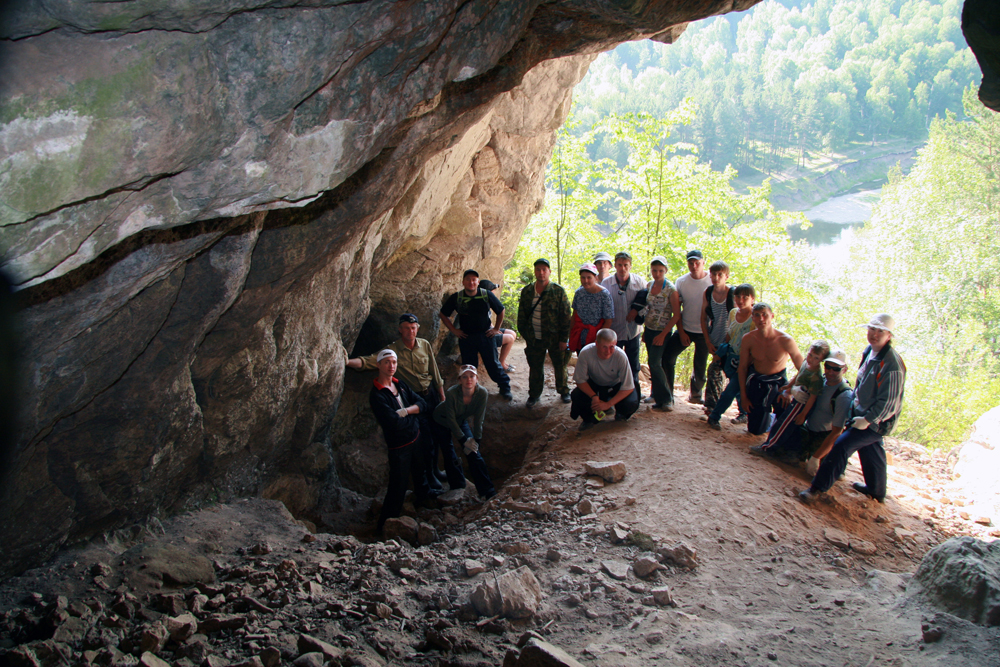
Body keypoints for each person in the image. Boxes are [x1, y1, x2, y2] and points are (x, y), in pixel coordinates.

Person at [347, 313, 466, 493]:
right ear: (400, 330)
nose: (410, 331)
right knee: (425, 441)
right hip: (414, 400)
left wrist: (442, 398)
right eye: (406, 328)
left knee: (440, 435)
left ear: (417, 328)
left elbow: (435, 373)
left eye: (413, 327)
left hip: (431, 396)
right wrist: (346, 361)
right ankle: (429, 477)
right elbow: (368, 361)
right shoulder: (393, 351)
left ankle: (440, 472)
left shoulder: (424, 344)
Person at [800, 315, 906, 504]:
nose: (874, 334)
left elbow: (890, 402)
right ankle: (877, 490)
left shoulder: (891, 364)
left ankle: (816, 489)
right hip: (862, 413)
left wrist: (868, 420)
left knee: (841, 445)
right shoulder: (870, 351)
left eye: (880, 331)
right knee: (872, 450)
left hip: (877, 421)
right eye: (872, 329)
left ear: (889, 336)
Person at [367, 349, 433, 533]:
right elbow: (393, 423)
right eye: (387, 362)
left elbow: (423, 403)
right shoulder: (378, 395)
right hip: (399, 447)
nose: (391, 366)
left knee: (421, 472)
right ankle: (385, 525)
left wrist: (406, 412)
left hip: (416, 438)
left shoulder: (400, 384)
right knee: (398, 485)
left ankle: (423, 504)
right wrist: (414, 414)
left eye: (394, 362)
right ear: (378, 365)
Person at [759, 350, 853, 474]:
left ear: (844, 370)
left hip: (824, 436)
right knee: (782, 449)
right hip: (808, 429)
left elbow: (837, 432)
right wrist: (793, 390)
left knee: (827, 470)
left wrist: (816, 458)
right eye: (828, 367)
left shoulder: (843, 395)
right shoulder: (820, 380)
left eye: (836, 369)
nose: (830, 371)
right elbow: (799, 382)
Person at [439, 269, 513, 400]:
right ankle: (471, 391)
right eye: (468, 279)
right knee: (469, 367)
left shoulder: (486, 295)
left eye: (474, 279)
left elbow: (501, 310)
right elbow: (443, 314)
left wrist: (496, 328)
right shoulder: (457, 297)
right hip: (466, 337)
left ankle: (505, 388)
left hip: (486, 336)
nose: (471, 282)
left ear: (478, 282)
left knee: (493, 365)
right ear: (463, 282)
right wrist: (453, 330)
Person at [750, 340, 830, 457]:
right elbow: (799, 375)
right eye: (810, 355)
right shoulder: (806, 363)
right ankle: (788, 451)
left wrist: (803, 414)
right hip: (796, 399)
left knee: (783, 425)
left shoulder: (816, 377)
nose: (811, 359)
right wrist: (789, 386)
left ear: (821, 360)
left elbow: (813, 397)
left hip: (802, 404)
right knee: (787, 424)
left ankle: (768, 448)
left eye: (816, 358)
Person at [738, 303, 805, 435]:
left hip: (779, 383)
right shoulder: (749, 339)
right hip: (757, 382)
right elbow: (742, 368)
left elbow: (803, 369)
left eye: (765, 315)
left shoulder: (785, 340)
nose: (761, 319)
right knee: (755, 430)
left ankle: (776, 420)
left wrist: (789, 390)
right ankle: (767, 420)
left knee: (783, 415)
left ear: (772, 316)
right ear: (753, 318)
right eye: (757, 315)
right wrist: (744, 397)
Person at [434, 365, 497, 499]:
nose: (469, 379)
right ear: (460, 380)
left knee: (473, 453)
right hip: (441, 420)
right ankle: (457, 485)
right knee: (448, 450)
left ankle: (487, 490)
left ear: (477, 378)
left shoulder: (482, 393)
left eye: (472, 376)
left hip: (460, 420)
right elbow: (450, 419)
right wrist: (464, 440)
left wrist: (476, 440)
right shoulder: (452, 393)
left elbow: (479, 419)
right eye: (465, 377)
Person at [517, 258, 573, 407]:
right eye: (538, 269)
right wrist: (525, 334)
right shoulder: (528, 291)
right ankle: (534, 395)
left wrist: (563, 339)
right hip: (534, 337)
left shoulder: (558, 291)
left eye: (544, 269)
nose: (541, 273)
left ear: (549, 271)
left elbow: (566, 316)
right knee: (535, 367)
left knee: (560, 365)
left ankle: (564, 391)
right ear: (535, 271)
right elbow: (521, 314)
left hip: (555, 338)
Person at [662, 249, 714, 406]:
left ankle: (696, 395)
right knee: (668, 357)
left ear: (703, 262)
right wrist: (682, 331)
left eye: (697, 262)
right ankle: (668, 392)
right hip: (686, 327)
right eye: (691, 263)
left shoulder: (711, 281)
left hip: (705, 331)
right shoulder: (681, 282)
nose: (694, 265)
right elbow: (677, 309)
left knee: (700, 363)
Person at [629, 256, 680, 411]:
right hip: (650, 329)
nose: (657, 273)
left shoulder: (671, 290)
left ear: (665, 271)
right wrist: (644, 330)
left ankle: (667, 399)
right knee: (652, 362)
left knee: (656, 363)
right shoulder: (650, 285)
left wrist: (663, 334)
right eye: (654, 270)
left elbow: (677, 315)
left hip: (662, 331)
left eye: (660, 271)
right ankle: (655, 394)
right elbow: (648, 308)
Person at [706, 283, 756, 429]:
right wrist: (722, 353)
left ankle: (715, 416)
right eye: (738, 296)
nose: (741, 300)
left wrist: (748, 362)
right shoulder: (733, 312)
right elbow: (729, 333)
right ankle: (742, 414)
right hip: (731, 354)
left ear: (752, 299)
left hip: (746, 359)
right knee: (735, 385)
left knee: (732, 388)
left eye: (745, 297)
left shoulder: (755, 317)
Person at [570, 328, 640, 431]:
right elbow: (580, 380)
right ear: (596, 344)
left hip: (615, 385)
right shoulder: (586, 353)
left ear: (615, 344)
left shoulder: (620, 356)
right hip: (595, 384)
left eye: (612, 347)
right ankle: (589, 419)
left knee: (631, 402)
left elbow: (628, 387)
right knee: (577, 395)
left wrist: (608, 404)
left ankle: (621, 414)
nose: (608, 351)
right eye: (604, 347)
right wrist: (593, 396)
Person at [601, 251, 647, 401]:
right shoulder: (606, 284)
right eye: (619, 265)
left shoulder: (639, 282)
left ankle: (634, 397)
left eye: (625, 265)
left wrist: (637, 312)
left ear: (630, 266)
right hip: (614, 332)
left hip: (633, 331)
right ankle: (613, 396)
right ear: (614, 265)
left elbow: (648, 304)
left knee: (633, 366)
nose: (622, 268)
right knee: (613, 366)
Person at [701, 261, 735, 412]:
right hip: (714, 338)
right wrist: (707, 340)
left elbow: (736, 320)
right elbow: (703, 317)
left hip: (730, 341)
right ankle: (712, 407)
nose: (716, 277)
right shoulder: (708, 292)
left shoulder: (733, 294)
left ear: (726, 276)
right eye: (713, 274)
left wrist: (725, 345)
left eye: (720, 274)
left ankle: (742, 411)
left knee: (732, 373)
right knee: (715, 371)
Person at [569, 263, 613, 353]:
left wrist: (600, 339)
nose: (586, 281)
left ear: (596, 278)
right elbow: (574, 315)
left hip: (596, 336)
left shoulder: (604, 295)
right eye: (583, 278)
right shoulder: (579, 293)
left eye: (589, 277)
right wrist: (570, 333)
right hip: (580, 335)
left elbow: (608, 320)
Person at [479, 279, 517, 372]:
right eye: (493, 290)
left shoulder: (487, 303)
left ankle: (501, 361)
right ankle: (501, 364)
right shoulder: (479, 305)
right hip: (485, 336)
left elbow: (487, 321)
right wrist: (494, 330)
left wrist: (495, 328)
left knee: (512, 333)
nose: (494, 292)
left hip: (489, 330)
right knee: (510, 338)